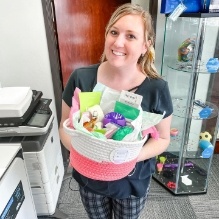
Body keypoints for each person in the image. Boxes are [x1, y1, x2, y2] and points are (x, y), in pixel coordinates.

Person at [59, 3, 173, 219]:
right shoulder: (82, 78)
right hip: (90, 177)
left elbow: (163, 138)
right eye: (114, 32)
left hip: (131, 180)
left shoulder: (156, 88)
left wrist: (127, 156)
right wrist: (90, 151)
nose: (118, 42)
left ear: (145, 45)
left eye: (131, 36)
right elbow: (64, 126)